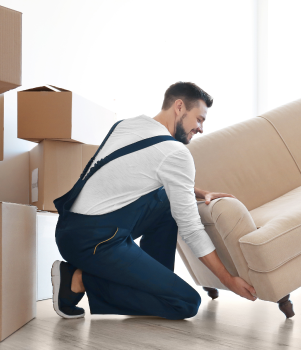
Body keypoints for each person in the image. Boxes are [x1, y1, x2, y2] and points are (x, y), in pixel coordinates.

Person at [51, 82, 257, 320]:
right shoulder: (175, 153)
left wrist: (196, 191)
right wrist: (228, 280)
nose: (200, 128)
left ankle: (155, 282)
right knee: (185, 303)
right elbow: (191, 229)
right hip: (96, 243)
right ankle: (76, 280)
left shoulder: (128, 125)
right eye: (199, 119)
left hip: (70, 229)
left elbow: (133, 174)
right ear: (179, 107)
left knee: (167, 200)